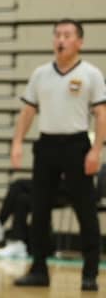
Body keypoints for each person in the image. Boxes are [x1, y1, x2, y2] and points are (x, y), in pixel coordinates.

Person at [10, 19, 106, 292]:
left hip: (77, 147)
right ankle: (38, 268)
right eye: (57, 35)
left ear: (80, 42)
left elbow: (101, 114)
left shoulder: (91, 74)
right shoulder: (40, 74)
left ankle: (89, 274)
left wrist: (96, 150)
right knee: (38, 210)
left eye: (67, 35)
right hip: (47, 146)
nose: (61, 40)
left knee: (85, 210)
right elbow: (28, 112)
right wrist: (17, 142)